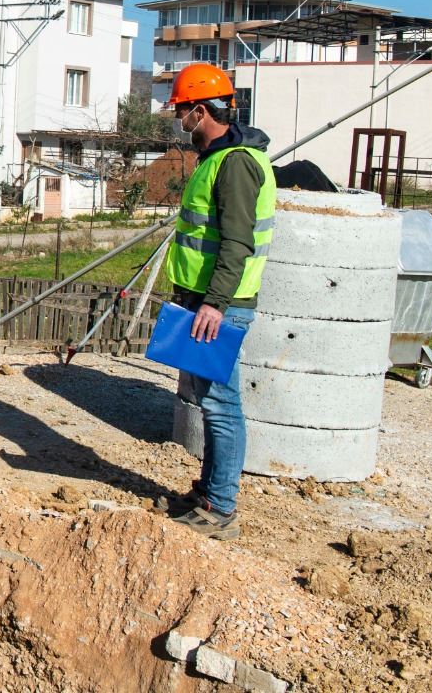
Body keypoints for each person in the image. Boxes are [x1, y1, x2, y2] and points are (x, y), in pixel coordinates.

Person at [163, 62, 276, 541]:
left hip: (220, 304)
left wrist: (213, 304)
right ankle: (210, 491)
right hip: (202, 299)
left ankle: (221, 505)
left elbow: (236, 243)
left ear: (202, 110)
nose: (178, 119)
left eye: (182, 111)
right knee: (207, 400)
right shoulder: (216, 158)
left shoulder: (236, 164)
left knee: (221, 404)